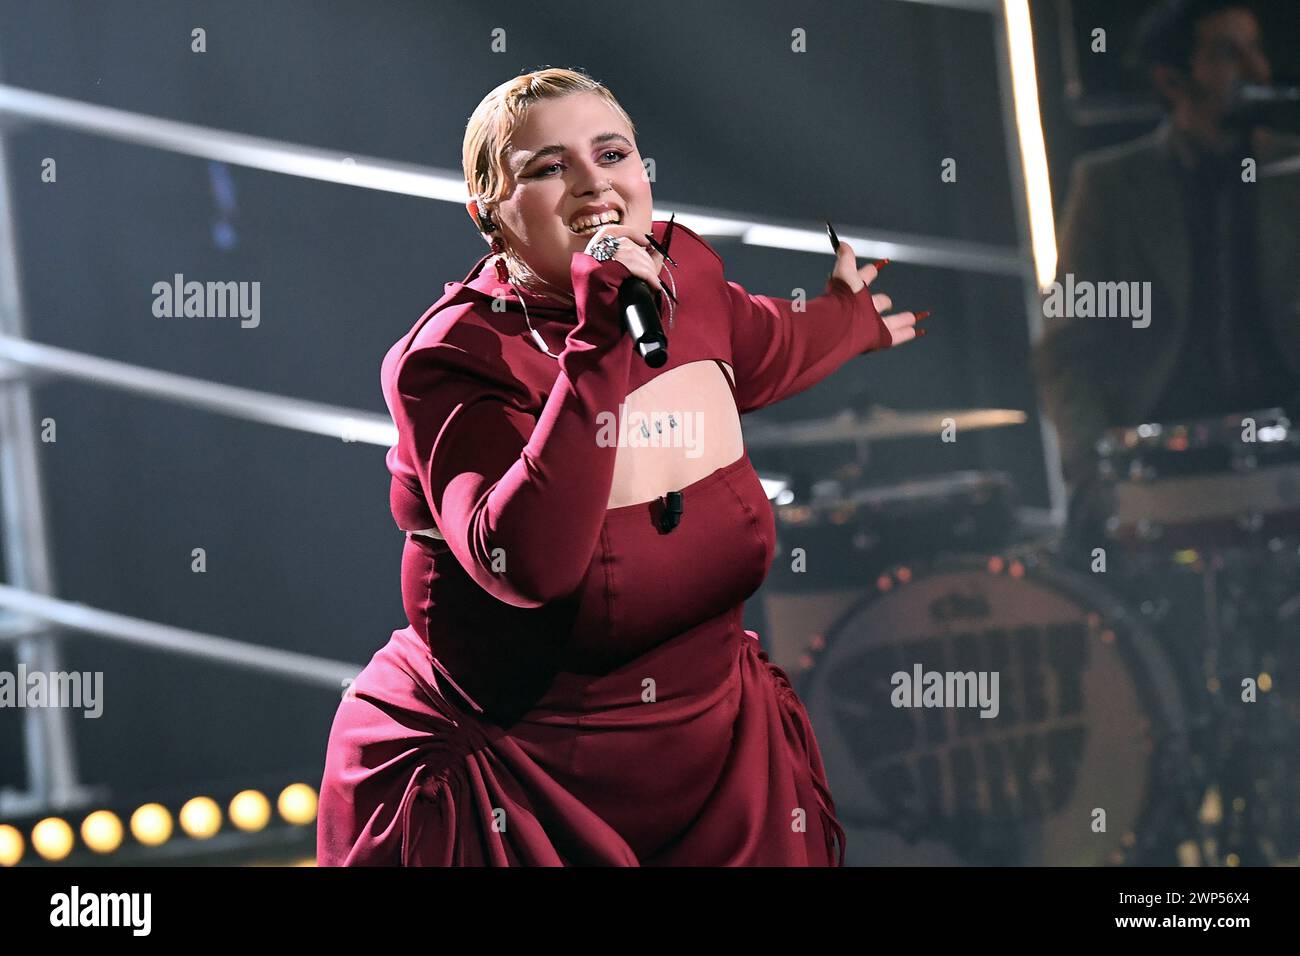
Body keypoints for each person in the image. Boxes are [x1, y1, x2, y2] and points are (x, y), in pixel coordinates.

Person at [316, 67, 922, 866]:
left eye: (612, 154)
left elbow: (762, 345)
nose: (592, 184)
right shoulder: (451, 360)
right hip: (514, 789)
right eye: (547, 167)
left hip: (716, 764)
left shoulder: (680, 274)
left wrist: (850, 320)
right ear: (488, 216)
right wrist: (598, 343)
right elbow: (526, 560)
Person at [1032, 0, 1300, 547]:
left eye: (1256, 49)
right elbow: (1068, 352)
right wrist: (1094, 467)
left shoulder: (1291, 175)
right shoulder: (1112, 186)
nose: (1257, 72)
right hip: (1159, 456)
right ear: (1172, 79)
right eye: (1229, 53)